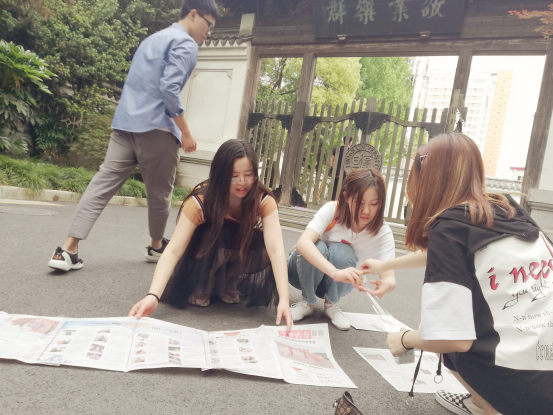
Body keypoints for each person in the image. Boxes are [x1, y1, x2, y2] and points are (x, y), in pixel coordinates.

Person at [361, 133, 553, 415]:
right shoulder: (507, 208)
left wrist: (404, 339)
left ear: (427, 179)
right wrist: (384, 266)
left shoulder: (449, 226)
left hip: (524, 386)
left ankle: (490, 407)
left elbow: (453, 340)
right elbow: (451, 255)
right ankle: (480, 402)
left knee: (448, 334)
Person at [48, 0, 219, 271]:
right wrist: (185, 132)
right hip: (157, 129)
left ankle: (67, 250)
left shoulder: (151, 39)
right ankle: (156, 246)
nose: (208, 33)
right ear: (193, 14)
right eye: (208, 25)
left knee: (100, 186)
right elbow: (169, 88)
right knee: (160, 193)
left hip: (125, 124)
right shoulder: (186, 44)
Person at [129, 139, 292, 332]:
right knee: (219, 233)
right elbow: (173, 250)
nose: (242, 182)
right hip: (205, 251)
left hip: (235, 248)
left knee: (263, 250)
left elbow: (275, 249)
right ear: (220, 175)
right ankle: (204, 280)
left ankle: (227, 279)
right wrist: (153, 296)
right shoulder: (201, 200)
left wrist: (284, 299)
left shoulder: (263, 199)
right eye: (234, 176)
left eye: (248, 175)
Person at [288, 168, 396, 330]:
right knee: (317, 246)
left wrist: (386, 285)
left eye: (374, 203)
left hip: (338, 285)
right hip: (300, 273)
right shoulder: (332, 210)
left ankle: (331, 304)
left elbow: (389, 276)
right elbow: (303, 243)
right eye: (359, 202)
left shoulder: (382, 232)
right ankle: (307, 302)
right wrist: (335, 273)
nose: (366, 210)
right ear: (346, 197)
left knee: (343, 251)